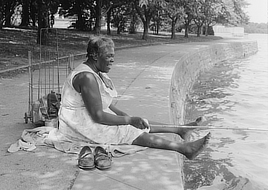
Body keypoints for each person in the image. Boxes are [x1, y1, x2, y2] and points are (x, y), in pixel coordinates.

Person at [58, 35, 210, 170]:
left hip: (85, 115)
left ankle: (179, 129)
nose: (112, 60)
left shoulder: (94, 73)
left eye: (113, 56)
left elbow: (103, 101)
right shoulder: (87, 77)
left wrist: (124, 115)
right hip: (76, 123)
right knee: (126, 129)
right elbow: (98, 116)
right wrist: (128, 121)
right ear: (94, 55)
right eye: (109, 56)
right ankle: (184, 149)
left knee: (131, 121)